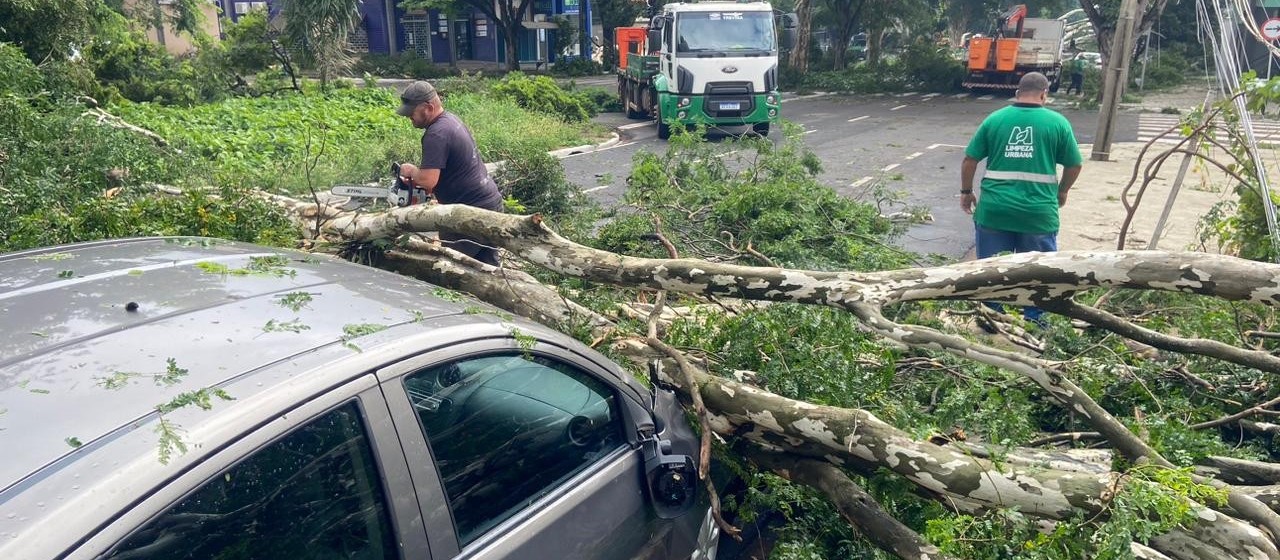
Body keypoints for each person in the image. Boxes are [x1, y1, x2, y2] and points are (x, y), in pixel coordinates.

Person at [960, 72, 1082, 327]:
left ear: (1017, 93)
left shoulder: (996, 119)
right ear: (1044, 95)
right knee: (1039, 270)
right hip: (1038, 213)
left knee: (992, 269)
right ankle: (1034, 321)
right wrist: (1062, 191)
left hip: (995, 210)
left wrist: (966, 192)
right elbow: (1074, 164)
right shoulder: (1057, 123)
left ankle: (993, 318)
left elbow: (970, 159)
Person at [395, 80, 505, 266]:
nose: (409, 117)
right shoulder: (450, 120)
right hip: (489, 204)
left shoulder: (436, 134)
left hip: (467, 216)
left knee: (452, 271)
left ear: (428, 108)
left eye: (411, 112)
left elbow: (428, 181)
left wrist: (412, 171)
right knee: (489, 273)